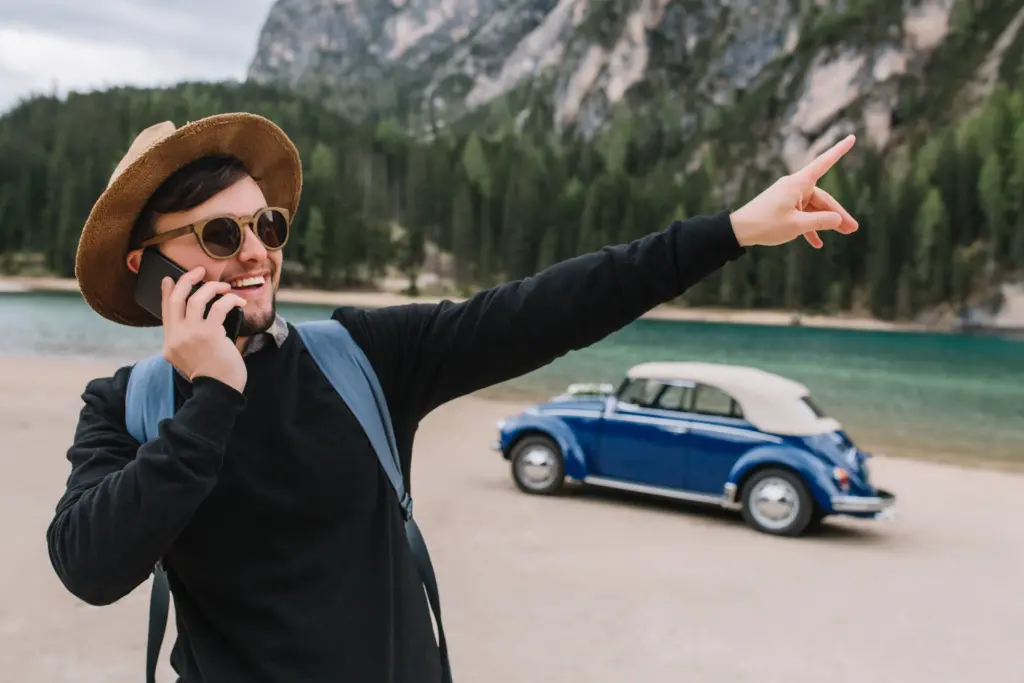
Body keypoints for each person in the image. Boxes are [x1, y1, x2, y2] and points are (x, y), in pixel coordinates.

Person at [46, 112, 859, 683]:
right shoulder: (126, 404)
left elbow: (549, 307)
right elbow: (90, 566)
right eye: (219, 235)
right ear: (147, 270)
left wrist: (733, 230)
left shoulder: (361, 356)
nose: (255, 252)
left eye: (268, 226)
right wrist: (212, 399)